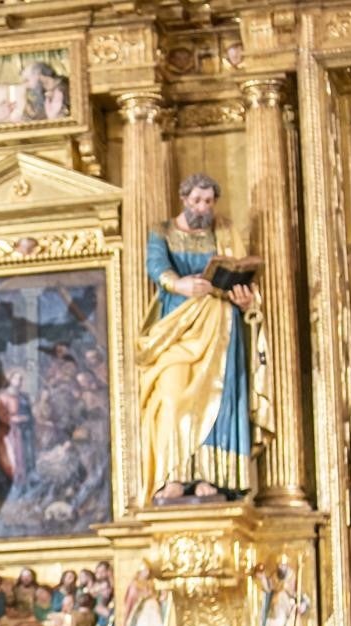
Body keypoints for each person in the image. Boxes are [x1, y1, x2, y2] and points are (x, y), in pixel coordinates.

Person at [138, 173, 272, 506]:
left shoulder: (224, 233)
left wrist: (244, 299)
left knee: (218, 400)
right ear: (184, 199)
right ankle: (172, 475)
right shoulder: (162, 231)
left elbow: (241, 275)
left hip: (220, 325)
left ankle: (211, 477)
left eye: (209, 201)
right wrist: (178, 284)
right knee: (171, 396)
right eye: (197, 201)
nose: (203, 207)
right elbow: (155, 265)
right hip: (177, 325)